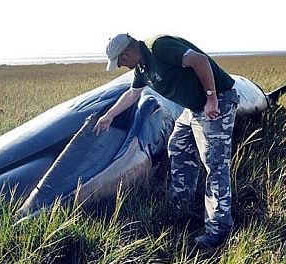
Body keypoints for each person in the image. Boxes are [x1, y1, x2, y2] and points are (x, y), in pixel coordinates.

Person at [92, 33, 240, 249]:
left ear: (128, 52)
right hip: (195, 109)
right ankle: (182, 201)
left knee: (215, 164)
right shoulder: (142, 69)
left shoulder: (159, 47)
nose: (122, 66)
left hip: (217, 104)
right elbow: (132, 95)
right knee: (178, 144)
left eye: (121, 61)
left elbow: (200, 60)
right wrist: (109, 116)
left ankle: (219, 230)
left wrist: (211, 98)